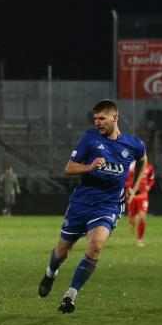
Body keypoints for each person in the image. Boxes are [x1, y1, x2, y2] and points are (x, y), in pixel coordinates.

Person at [38, 99, 146, 313]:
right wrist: (89, 167)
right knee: (62, 251)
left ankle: (70, 295)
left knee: (96, 245)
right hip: (81, 203)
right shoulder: (90, 138)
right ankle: (51, 272)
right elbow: (69, 168)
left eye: (102, 118)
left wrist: (133, 188)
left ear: (115, 117)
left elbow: (143, 160)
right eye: (95, 118)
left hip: (109, 206)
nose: (97, 122)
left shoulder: (134, 144)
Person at [125, 159, 155, 247]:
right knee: (132, 219)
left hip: (143, 195)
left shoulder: (150, 167)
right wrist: (130, 186)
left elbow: (151, 179)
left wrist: (149, 186)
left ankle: (139, 240)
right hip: (133, 196)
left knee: (142, 217)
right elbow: (124, 180)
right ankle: (131, 224)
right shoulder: (131, 166)